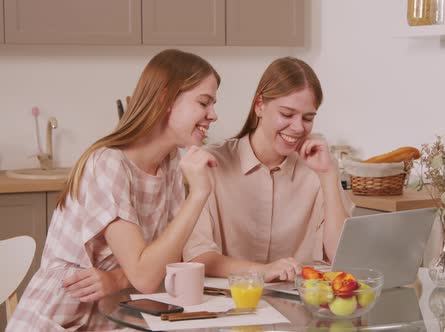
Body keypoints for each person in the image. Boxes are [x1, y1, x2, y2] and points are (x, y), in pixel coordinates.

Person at [7, 49, 220, 331]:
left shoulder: (169, 163)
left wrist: (118, 279)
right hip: (60, 319)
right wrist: (198, 194)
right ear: (165, 98)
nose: (213, 115)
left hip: (116, 313)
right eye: (204, 103)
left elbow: (168, 263)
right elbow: (146, 276)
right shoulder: (108, 164)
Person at [183, 57, 355, 282]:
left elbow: (341, 257)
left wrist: (329, 175)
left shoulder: (317, 170)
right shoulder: (212, 165)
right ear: (260, 105)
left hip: (302, 308)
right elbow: (198, 256)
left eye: (308, 118)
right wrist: (262, 270)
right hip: (230, 306)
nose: (297, 127)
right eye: (286, 114)